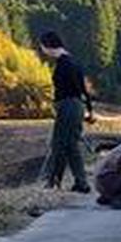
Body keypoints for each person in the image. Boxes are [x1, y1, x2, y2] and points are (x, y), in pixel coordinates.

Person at [39, 31, 93, 193]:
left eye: (42, 47)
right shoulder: (72, 62)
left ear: (48, 46)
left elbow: (75, 89)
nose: (42, 50)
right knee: (70, 145)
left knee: (59, 144)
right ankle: (80, 182)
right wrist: (89, 110)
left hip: (68, 106)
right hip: (75, 106)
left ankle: (53, 182)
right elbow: (83, 89)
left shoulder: (64, 64)